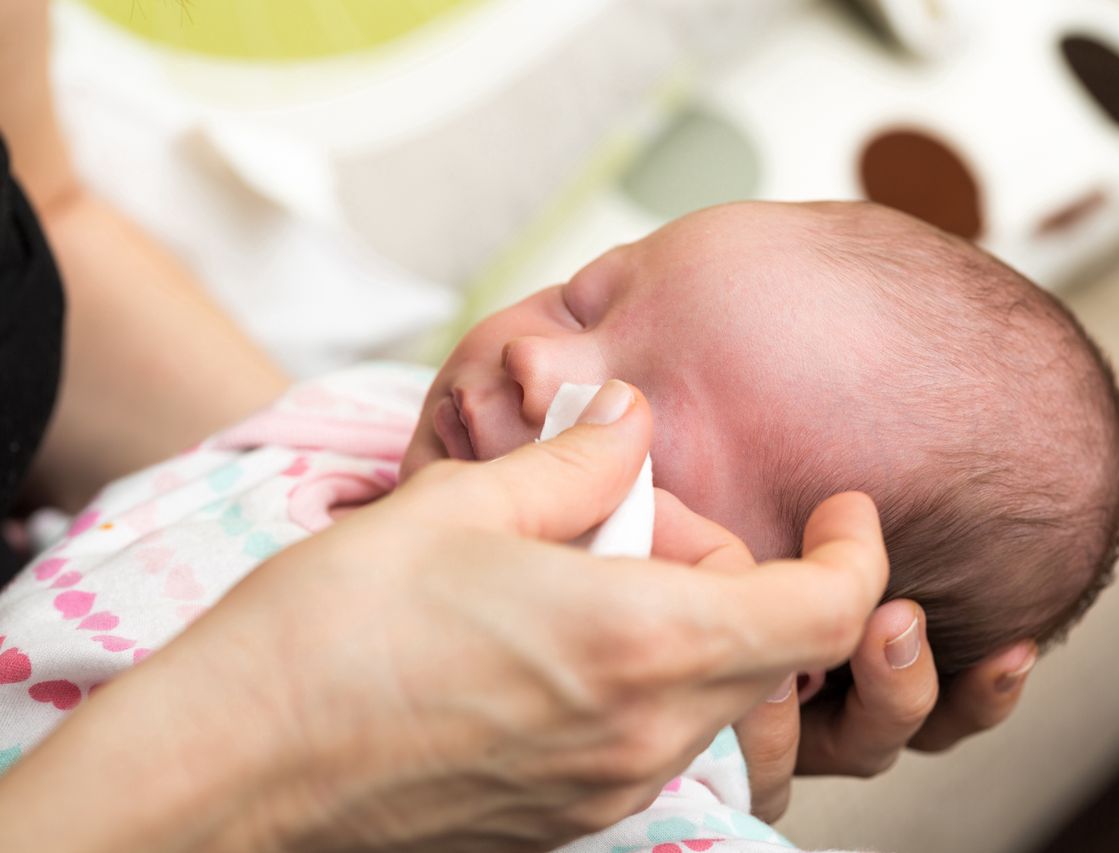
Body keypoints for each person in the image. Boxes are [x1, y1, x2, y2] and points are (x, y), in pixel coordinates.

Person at [0, 2, 1041, 849]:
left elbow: (43, 216)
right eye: (580, 300)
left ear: (778, 629)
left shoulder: (624, 807)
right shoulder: (369, 420)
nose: (535, 359)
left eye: (639, 414)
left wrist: (706, 713)